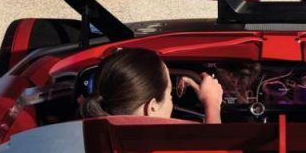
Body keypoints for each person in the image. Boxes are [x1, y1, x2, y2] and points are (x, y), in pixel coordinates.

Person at [82, 47, 224, 124]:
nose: (171, 100)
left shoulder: (86, 138)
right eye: (169, 94)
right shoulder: (161, 149)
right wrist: (212, 104)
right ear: (152, 107)